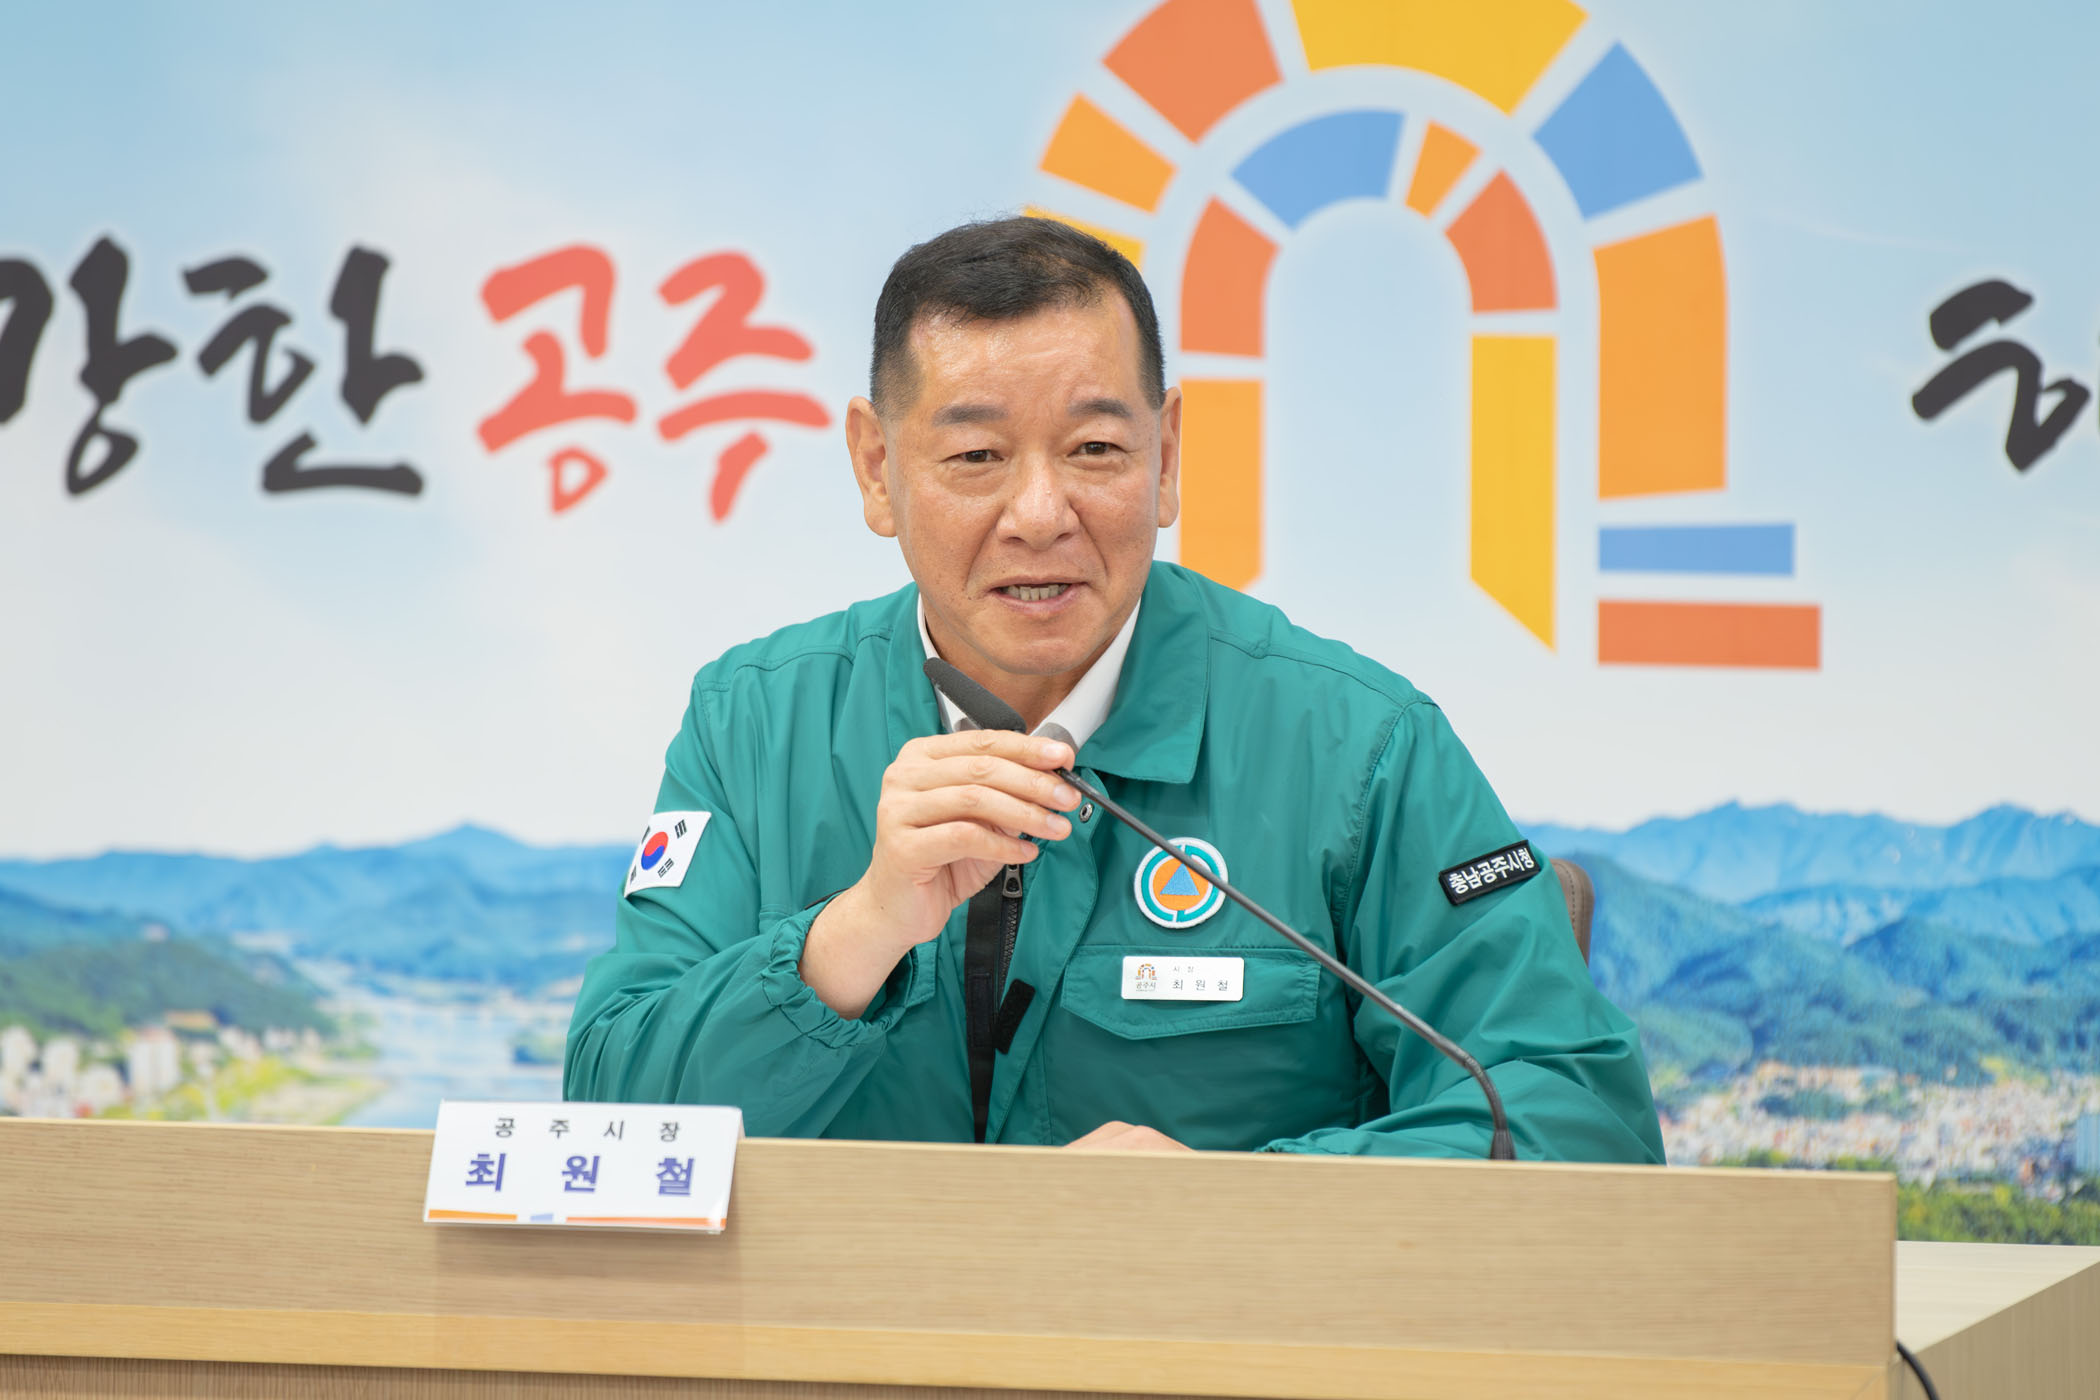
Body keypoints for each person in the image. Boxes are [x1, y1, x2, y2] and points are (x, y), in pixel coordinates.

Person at [564, 217, 1664, 1161]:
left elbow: (1573, 1116)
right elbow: (610, 1118)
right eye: (976, 458)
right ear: (875, 468)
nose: (1041, 514)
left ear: (1167, 455)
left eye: (1094, 448)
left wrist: (1229, 1212)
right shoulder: (754, 723)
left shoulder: (1358, 744)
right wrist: (854, 934)